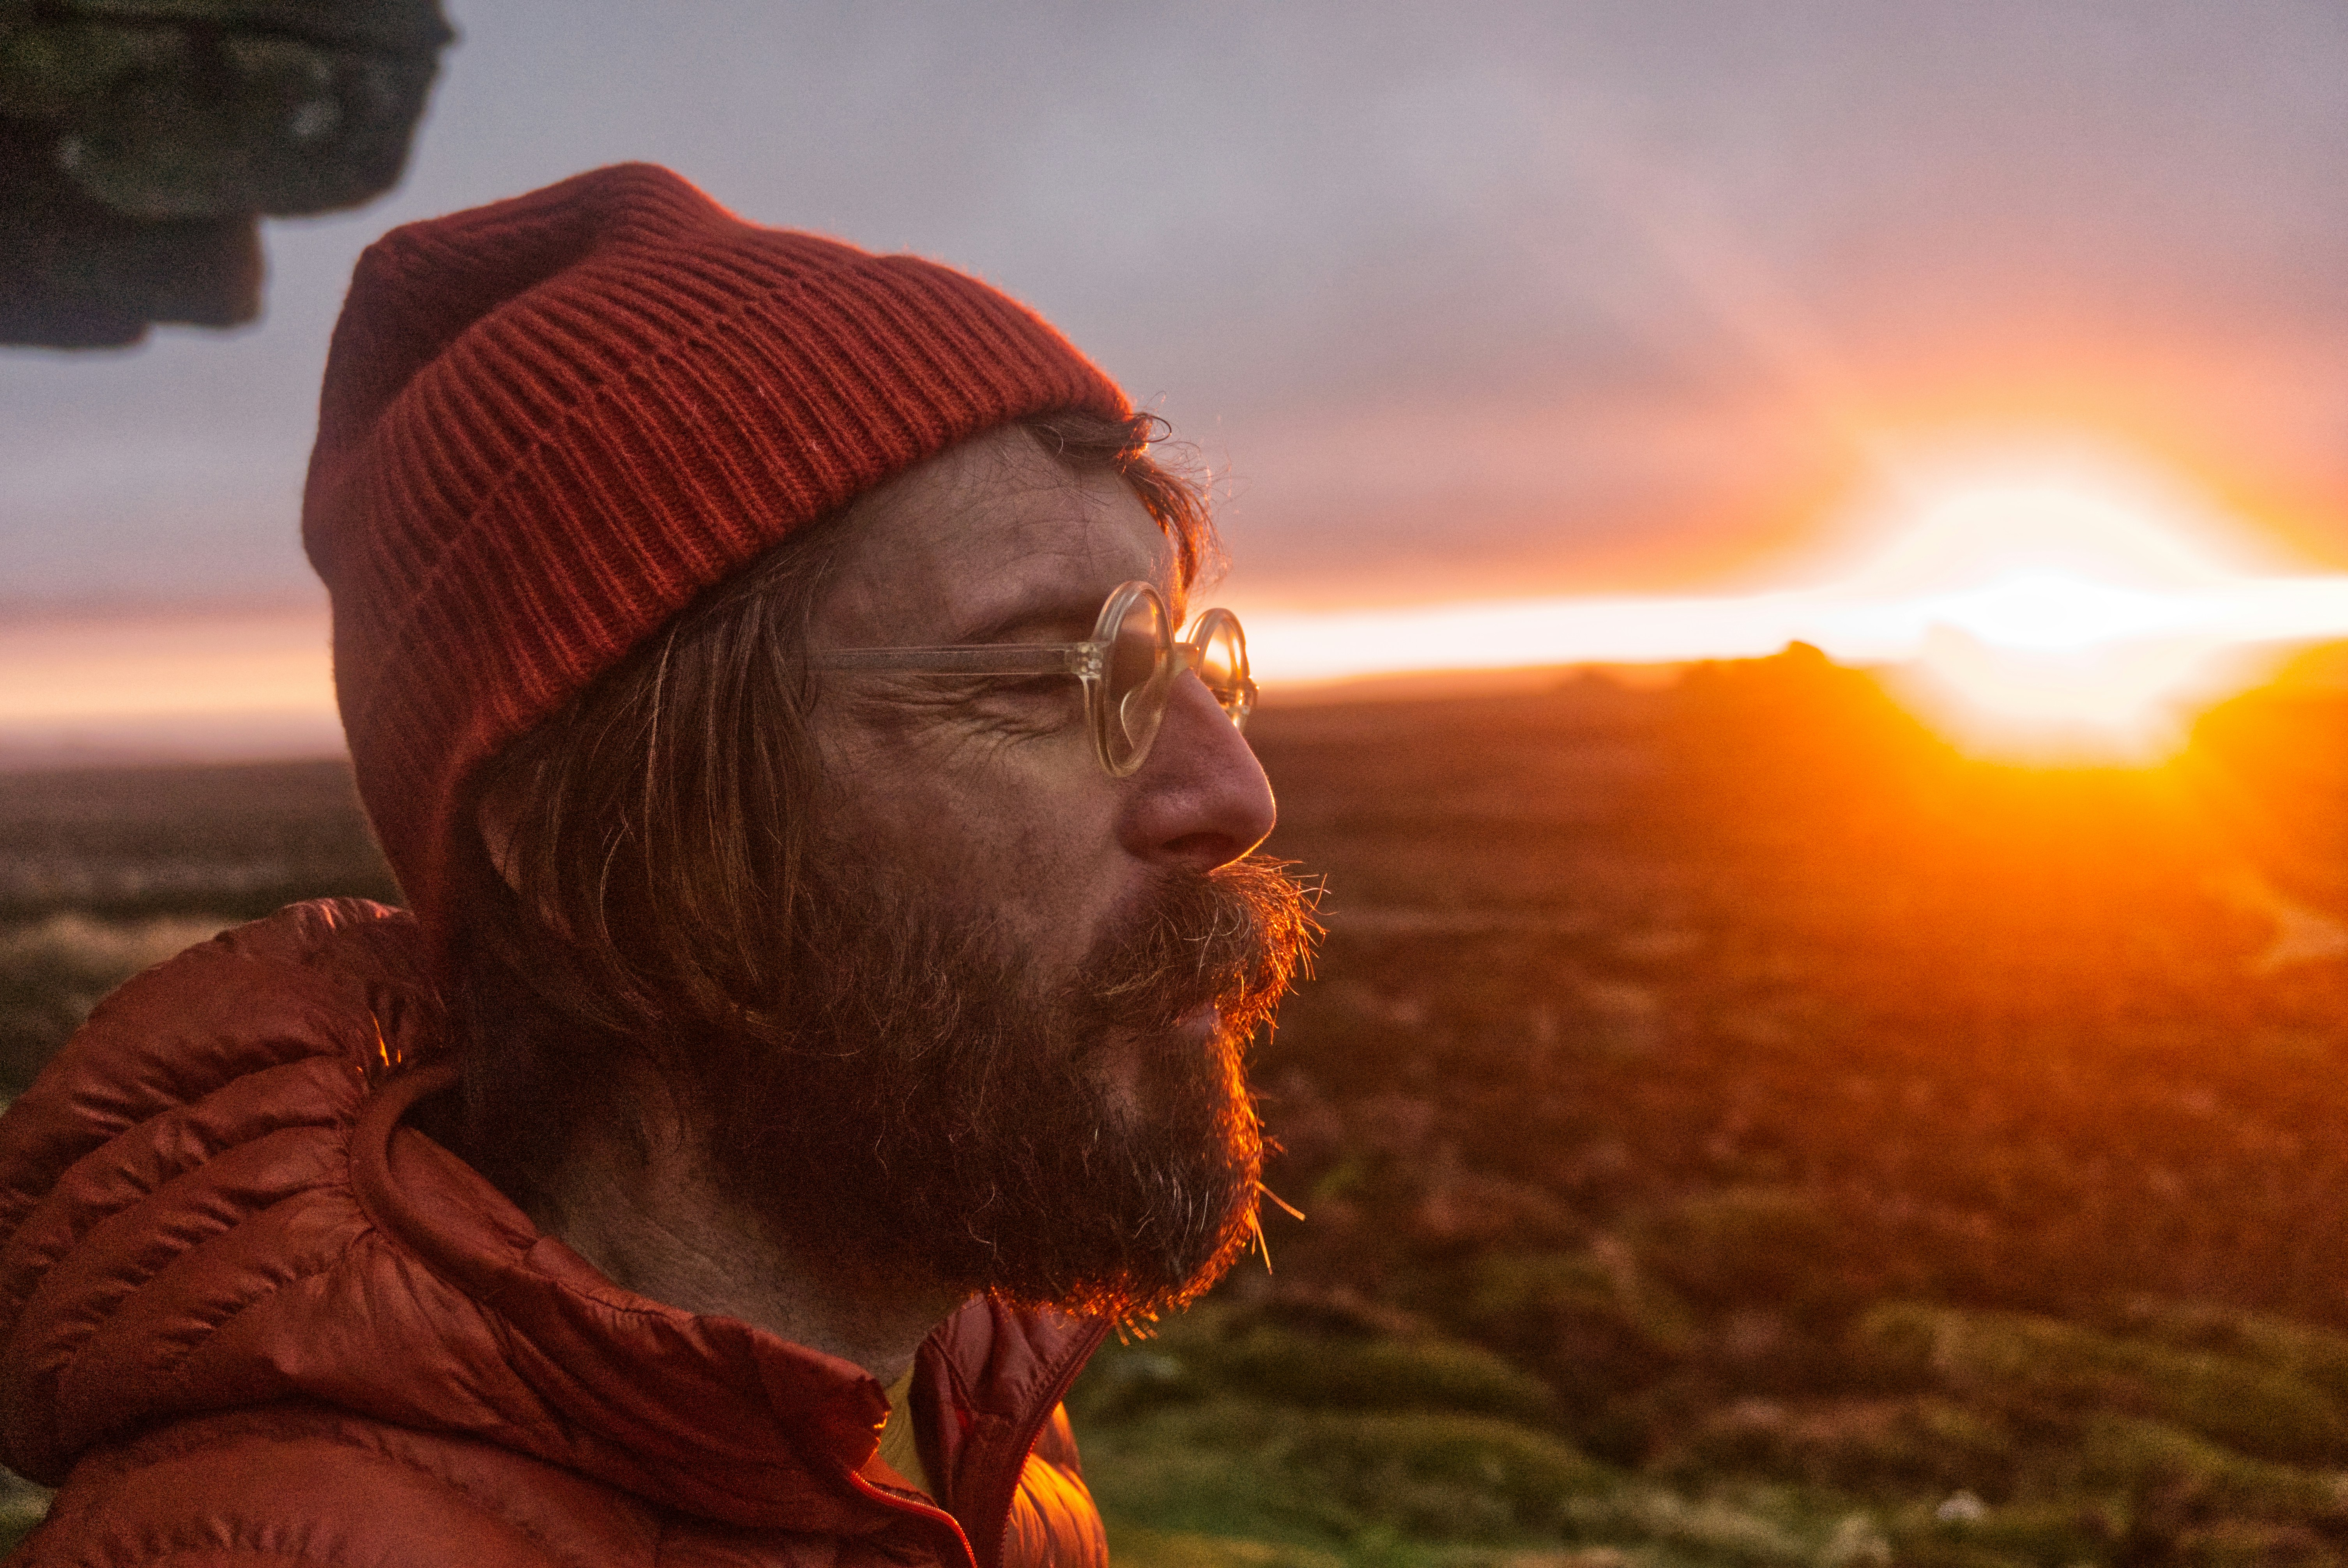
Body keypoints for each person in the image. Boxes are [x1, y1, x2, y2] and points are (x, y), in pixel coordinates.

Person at [0, 164, 1315, 1568]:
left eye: (1184, 664)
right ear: (583, 844)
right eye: (1042, 679)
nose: (1233, 794)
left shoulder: (968, 1441)